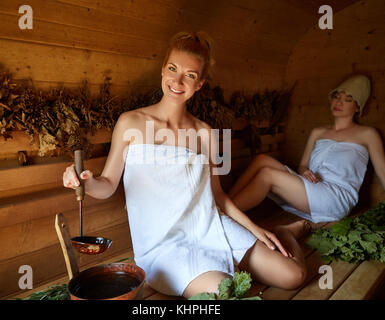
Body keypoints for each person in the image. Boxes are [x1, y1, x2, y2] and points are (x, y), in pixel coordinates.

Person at [63, 32, 308, 298]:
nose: (178, 81)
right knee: (222, 293)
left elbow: (217, 196)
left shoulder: (204, 133)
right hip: (163, 245)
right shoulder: (130, 123)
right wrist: (85, 182)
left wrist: (254, 228)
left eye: (190, 75)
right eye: (172, 69)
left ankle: (283, 231)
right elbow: (108, 185)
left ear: (199, 84)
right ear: (162, 70)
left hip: (210, 226)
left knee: (294, 275)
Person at [228, 74, 385, 235]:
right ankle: (224, 203)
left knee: (267, 175)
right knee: (261, 160)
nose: (339, 103)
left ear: (358, 107)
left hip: (335, 197)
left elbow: (384, 173)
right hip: (312, 185)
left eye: (347, 99)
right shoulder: (318, 132)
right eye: (336, 97)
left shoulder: (367, 134)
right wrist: (304, 171)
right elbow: (303, 165)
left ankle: (226, 215)